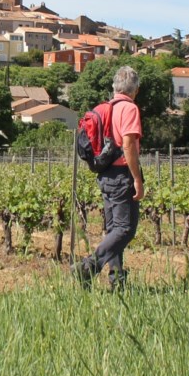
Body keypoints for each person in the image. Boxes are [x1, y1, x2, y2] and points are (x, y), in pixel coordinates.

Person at [74, 65, 144, 290]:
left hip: (105, 175)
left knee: (114, 230)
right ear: (136, 89)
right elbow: (128, 144)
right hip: (122, 175)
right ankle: (88, 267)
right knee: (125, 230)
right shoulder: (129, 109)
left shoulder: (103, 108)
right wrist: (137, 179)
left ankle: (118, 282)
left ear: (114, 87)